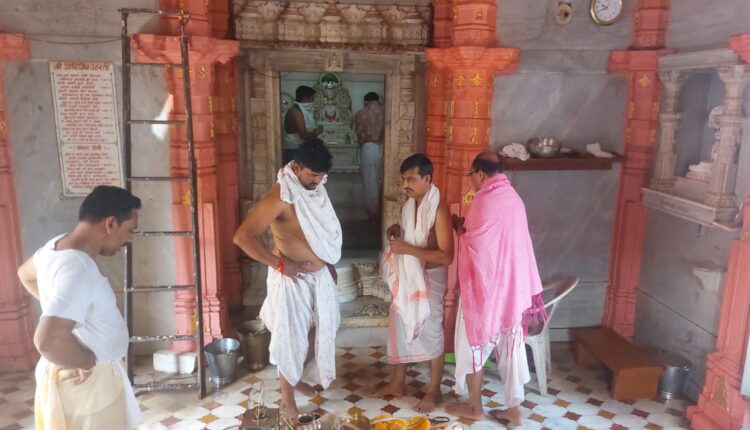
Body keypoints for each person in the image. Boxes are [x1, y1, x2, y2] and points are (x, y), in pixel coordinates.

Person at [17, 185, 143, 430]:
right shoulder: (78, 268)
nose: (129, 239)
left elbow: (25, 274)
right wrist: (86, 361)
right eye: (130, 230)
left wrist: (66, 319)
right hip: (88, 387)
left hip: (78, 382)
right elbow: (47, 340)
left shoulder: (55, 247)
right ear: (110, 223)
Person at [233, 138, 342, 418]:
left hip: (319, 277)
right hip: (293, 280)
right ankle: (287, 401)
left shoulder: (315, 188)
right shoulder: (281, 196)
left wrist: (328, 264)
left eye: (321, 176)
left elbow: (320, 233)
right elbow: (243, 237)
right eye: (312, 175)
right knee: (291, 339)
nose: (317, 181)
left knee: (322, 329)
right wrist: (281, 265)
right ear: (296, 168)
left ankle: (296, 379)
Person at [446, 153, 546, 427]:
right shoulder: (514, 198)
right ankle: (514, 411)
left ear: (480, 174)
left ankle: (474, 407)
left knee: (471, 344)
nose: (471, 181)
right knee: (511, 350)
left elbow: (476, 248)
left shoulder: (483, 200)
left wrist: (460, 232)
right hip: (512, 291)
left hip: (485, 293)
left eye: (471, 176)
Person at [372, 154, 454, 413]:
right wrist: (399, 230)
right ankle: (398, 383)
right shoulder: (410, 205)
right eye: (403, 179)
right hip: (409, 278)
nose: (405, 184)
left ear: (427, 179)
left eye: (411, 179)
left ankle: (434, 390)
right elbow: (414, 236)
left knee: (432, 332)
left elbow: (446, 256)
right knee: (400, 323)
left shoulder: (439, 209)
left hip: (430, 279)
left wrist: (407, 248)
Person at [354, 92, 385, 223]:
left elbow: (359, 134)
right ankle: (384, 213)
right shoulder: (385, 112)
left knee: (370, 182)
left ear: (365, 101)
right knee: (381, 180)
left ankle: (373, 215)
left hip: (367, 148)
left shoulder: (361, 113)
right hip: (383, 148)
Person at [284, 86, 323, 164]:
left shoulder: (301, 110)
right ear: (305, 99)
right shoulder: (295, 111)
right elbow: (304, 135)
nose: (313, 101)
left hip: (301, 148)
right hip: (294, 150)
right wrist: (317, 131)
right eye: (312, 99)